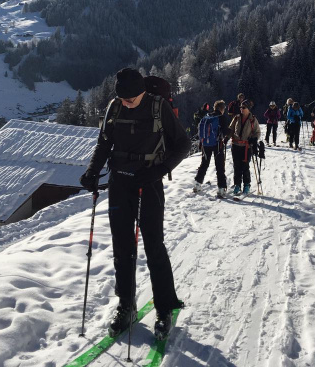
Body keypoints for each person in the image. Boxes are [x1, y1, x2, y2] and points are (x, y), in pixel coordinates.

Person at [79, 68, 189, 341]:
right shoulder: (114, 107)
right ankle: (126, 305)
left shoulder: (158, 107)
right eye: (123, 99)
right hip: (119, 183)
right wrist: (92, 172)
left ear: (142, 92)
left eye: (131, 99)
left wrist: (159, 171)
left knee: (153, 245)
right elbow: (104, 143)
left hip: (148, 183)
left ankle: (164, 307)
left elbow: (183, 144)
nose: (126, 103)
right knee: (122, 247)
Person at [194, 100, 231, 198]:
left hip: (206, 144)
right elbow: (225, 131)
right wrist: (229, 132)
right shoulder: (221, 117)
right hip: (217, 144)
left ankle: (197, 184)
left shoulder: (207, 116)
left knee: (204, 164)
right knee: (219, 166)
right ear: (222, 108)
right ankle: (221, 188)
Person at [229, 99, 261, 194]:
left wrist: (254, 139)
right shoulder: (236, 118)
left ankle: (247, 185)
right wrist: (226, 137)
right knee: (236, 166)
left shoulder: (253, 120)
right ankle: (237, 185)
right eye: (240, 107)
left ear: (248, 109)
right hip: (235, 145)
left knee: (245, 166)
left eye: (243, 107)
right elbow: (230, 129)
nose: (241, 109)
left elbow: (257, 132)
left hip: (246, 147)